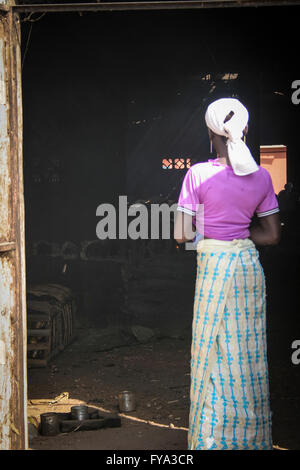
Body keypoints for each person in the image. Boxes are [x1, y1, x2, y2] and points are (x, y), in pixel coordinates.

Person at [174, 97, 281, 450]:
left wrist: (213, 232)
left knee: (212, 350)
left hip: (214, 267)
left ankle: (212, 437)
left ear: (210, 132)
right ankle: (250, 438)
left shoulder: (197, 174)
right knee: (246, 353)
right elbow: (271, 235)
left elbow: (182, 233)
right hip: (248, 270)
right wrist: (239, 233)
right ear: (244, 130)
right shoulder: (262, 177)